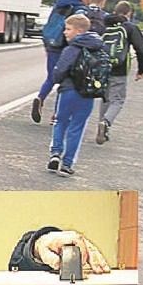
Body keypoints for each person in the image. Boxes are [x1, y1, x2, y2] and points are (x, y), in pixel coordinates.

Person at [46, 14, 103, 177]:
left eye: (68, 29)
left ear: (79, 31)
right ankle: (67, 164)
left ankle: (55, 153)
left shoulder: (71, 49)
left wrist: (58, 77)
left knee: (60, 122)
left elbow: (58, 74)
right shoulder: (98, 47)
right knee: (77, 128)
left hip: (68, 91)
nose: (65, 32)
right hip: (88, 94)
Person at [31, 0, 91, 124]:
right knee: (65, 81)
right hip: (66, 47)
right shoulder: (80, 9)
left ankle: (40, 98)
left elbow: (50, 24)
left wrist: (47, 46)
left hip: (52, 44)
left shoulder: (60, 3)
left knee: (51, 77)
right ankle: (56, 115)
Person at [96, 0, 143, 145]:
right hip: (119, 69)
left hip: (103, 67)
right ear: (128, 13)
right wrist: (141, 70)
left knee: (105, 98)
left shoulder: (105, 24)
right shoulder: (130, 28)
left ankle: (102, 126)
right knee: (118, 100)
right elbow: (141, 50)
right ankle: (105, 123)